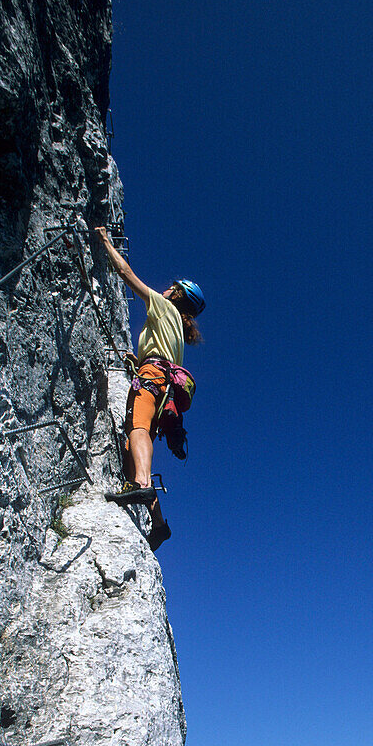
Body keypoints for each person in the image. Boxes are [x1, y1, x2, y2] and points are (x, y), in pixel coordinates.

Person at [94, 226, 205, 550]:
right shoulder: (176, 331)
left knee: (137, 429)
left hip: (152, 377)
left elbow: (125, 273)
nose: (166, 288)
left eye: (172, 287)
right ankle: (158, 524)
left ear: (177, 294)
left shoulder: (162, 305)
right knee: (132, 449)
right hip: (165, 384)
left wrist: (104, 242)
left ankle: (141, 484)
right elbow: (161, 356)